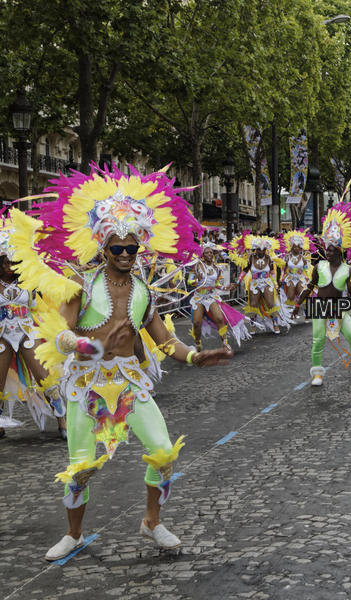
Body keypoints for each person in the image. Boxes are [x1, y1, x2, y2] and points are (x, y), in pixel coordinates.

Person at [12, 166, 231, 561]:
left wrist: (195, 356)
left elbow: (165, 341)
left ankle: (151, 521)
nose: (127, 255)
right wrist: (94, 346)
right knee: (80, 469)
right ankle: (73, 534)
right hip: (86, 385)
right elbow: (60, 337)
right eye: (118, 249)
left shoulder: (144, 291)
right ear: (103, 246)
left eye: (133, 248)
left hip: (130, 382)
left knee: (163, 452)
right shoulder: (81, 287)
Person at [0, 223, 67, 439]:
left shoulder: (29, 280)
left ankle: (63, 420)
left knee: (45, 378)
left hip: (27, 331)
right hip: (2, 336)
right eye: (5, 261)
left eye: (13, 261)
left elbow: (40, 305)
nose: (9, 266)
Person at [291, 203, 351, 386]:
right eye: (327, 249)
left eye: (331, 250)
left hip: (339, 309)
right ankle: (317, 374)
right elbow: (310, 286)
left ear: (339, 251)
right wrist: (298, 304)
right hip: (320, 308)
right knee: (318, 341)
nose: (328, 252)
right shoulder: (319, 266)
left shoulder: (348, 269)